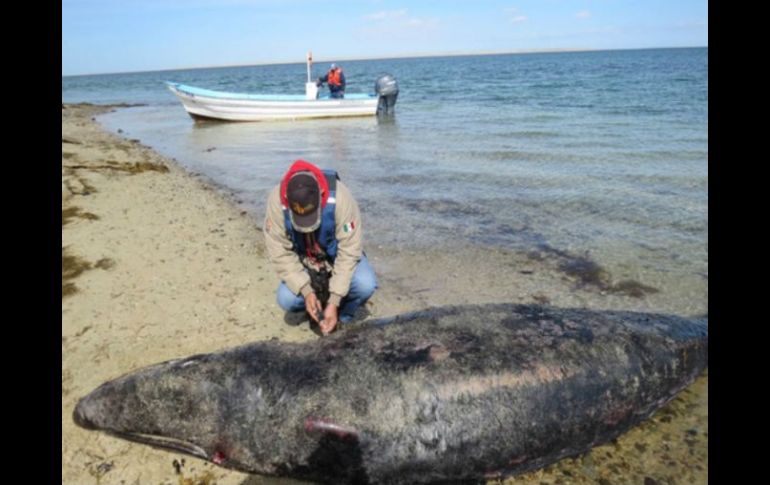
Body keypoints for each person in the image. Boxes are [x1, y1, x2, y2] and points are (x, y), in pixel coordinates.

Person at [263, 160, 377, 335]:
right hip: (306, 263)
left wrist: (335, 301)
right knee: (286, 300)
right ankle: (314, 303)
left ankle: (341, 315)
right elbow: (280, 253)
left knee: (365, 284)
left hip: (337, 258)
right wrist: (306, 291)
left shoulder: (341, 197)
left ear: (321, 194)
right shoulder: (276, 201)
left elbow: (349, 250)